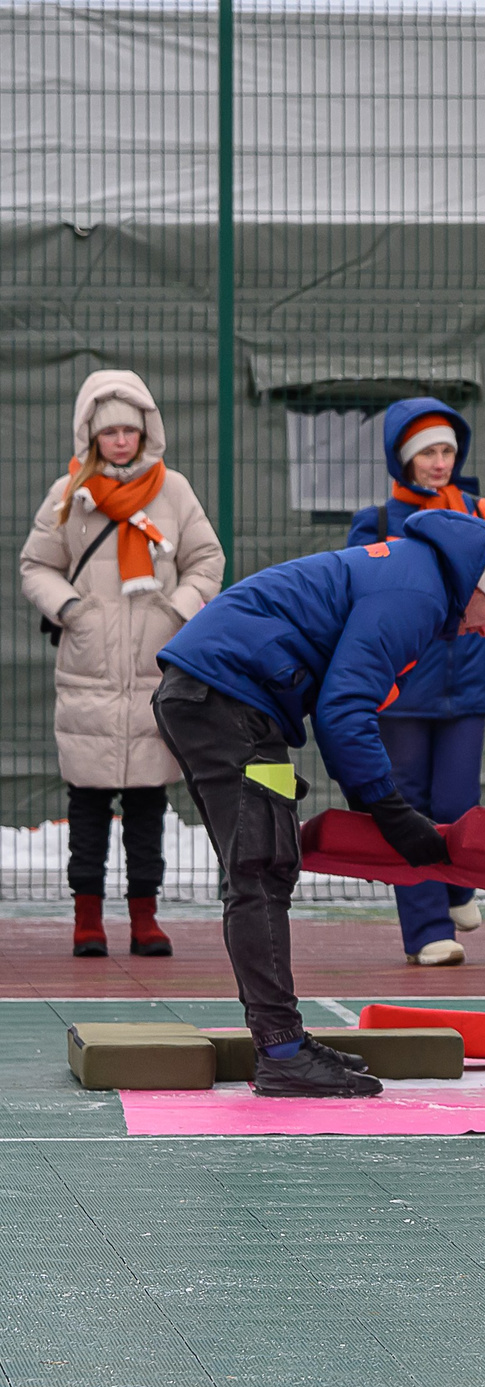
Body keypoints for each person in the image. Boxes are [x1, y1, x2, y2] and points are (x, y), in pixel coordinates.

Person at [154, 511, 485, 1097]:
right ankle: (281, 1052)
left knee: (267, 865)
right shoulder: (418, 595)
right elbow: (343, 709)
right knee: (260, 870)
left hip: (225, 697)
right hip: (223, 699)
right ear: (480, 586)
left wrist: (379, 805)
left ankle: (283, 1041)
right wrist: (389, 810)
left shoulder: (417, 575)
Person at [19, 370, 224, 958]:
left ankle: (144, 919)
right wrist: (72, 609)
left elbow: (207, 559)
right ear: (91, 435)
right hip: (88, 670)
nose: (120, 441)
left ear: (146, 432)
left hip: (156, 671)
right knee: (86, 804)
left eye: (129, 430)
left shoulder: (174, 490)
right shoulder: (70, 494)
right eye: (108, 432)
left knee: (147, 806)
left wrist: (176, 609)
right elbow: (37, 565)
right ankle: (87, 920)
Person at [348, 400, 485, 967]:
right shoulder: (378, 522)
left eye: (447, 450)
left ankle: (457, 886)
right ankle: (427, 931)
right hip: (403, 694)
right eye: (428, 451)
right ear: (404, 459)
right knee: (409, 806)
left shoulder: (483, 515)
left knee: (458, 802)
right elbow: (359, 601)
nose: (439, 462)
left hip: (468, 692)